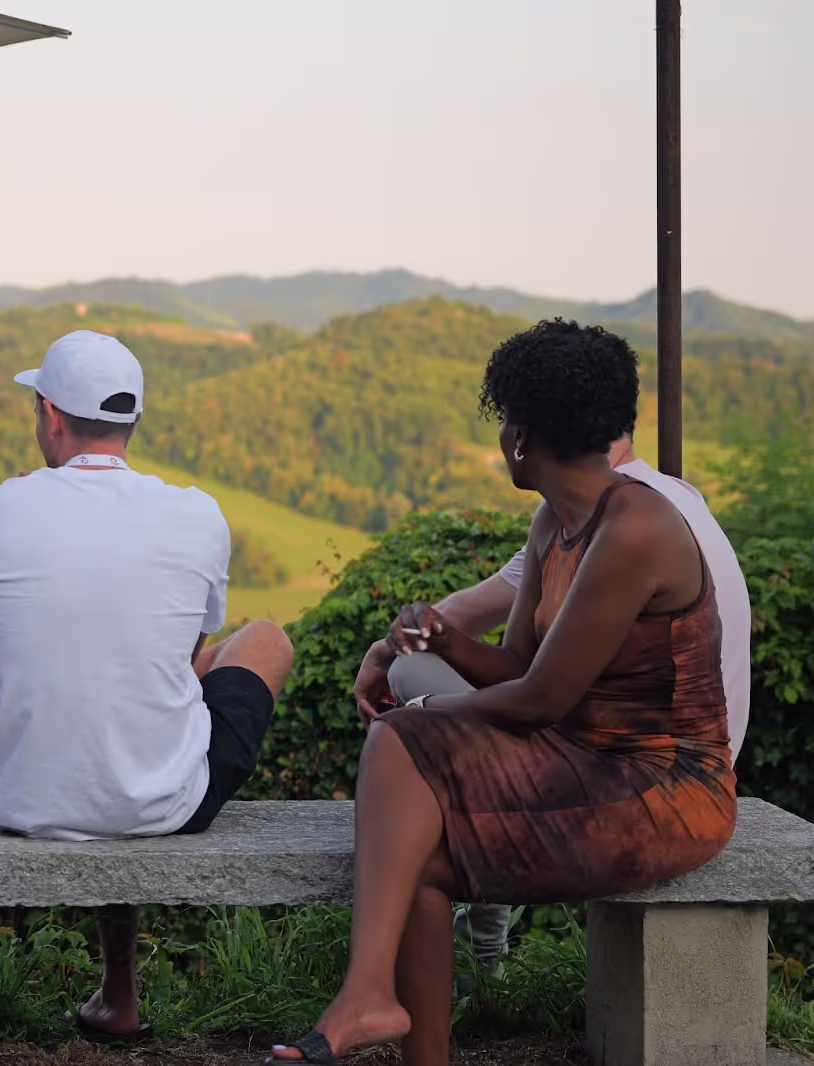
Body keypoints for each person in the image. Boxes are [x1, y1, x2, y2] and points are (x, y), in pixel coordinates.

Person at [269, 320, 737, 1065]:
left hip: (665, 787)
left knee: (399, 737)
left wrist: (425, 719)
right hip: (582, 760)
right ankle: (384, 1016)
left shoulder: (637, 528)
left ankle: (361, 997)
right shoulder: (557, 520)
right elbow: (519, 663)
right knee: (417, 867)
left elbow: (539, 700)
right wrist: (444, 640)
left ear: (520, 439)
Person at [0, 330, 294, 1044]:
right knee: (265, 641)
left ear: (49, 414)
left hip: (21, 801)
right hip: (166, 801)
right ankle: (121, 992)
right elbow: (186, 657)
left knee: (114, 708)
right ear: (133, 421)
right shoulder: (198, 514)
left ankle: (118, 995)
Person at [371, 431, 751, 970]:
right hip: (688, 737)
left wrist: (407, 692)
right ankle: (402, 987)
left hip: (657, 768)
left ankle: (482, 924)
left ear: (533, 433)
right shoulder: (668, 496)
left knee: (411, 692)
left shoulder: (622, 520)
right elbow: (518, 663)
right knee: (411, 754)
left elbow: (527, 684)